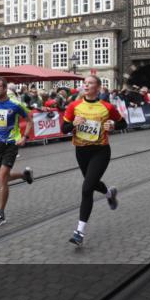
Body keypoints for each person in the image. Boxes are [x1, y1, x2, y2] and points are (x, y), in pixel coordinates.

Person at [61, 75, 126, 246]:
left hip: (101, 151)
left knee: (87, 188)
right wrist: (74, 124)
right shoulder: (74, 106)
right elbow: (63, 129)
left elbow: (123, 123)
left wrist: (113, 125)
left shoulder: (107, 107)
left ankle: (79, 232)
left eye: (90, 83)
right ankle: (109, 194)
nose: (86, 85)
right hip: (81, 152)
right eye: (85, 83)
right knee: (92, 182)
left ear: (98, 87)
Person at [0, 77, 34, 227]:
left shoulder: (16, 104)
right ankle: (25, 175)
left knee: (2, 177)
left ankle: (0, 213)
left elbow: (30, 120)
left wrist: (24, 137)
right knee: (4, 177)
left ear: (4, 89)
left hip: (11, 144)